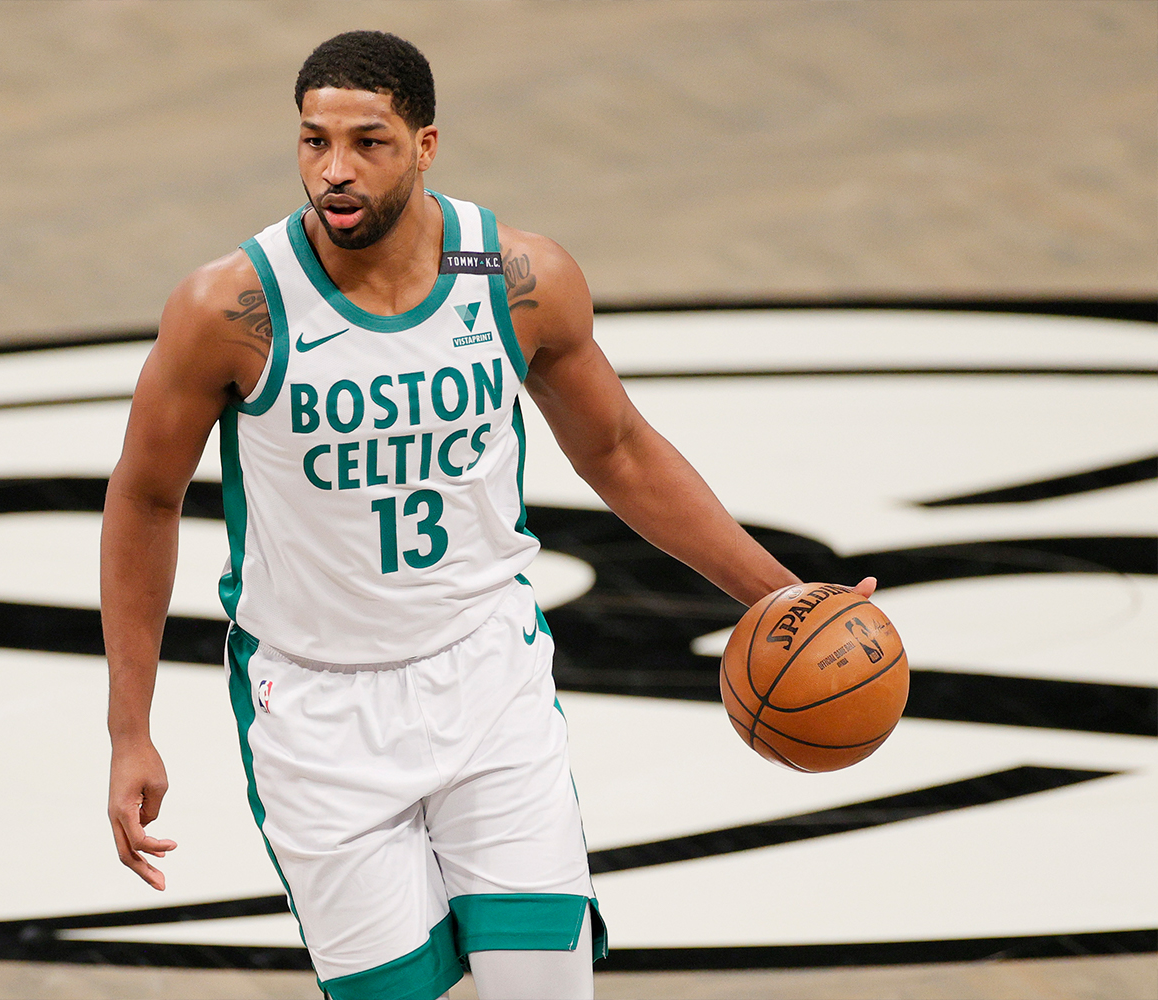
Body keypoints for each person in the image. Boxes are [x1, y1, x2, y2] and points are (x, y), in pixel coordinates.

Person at [101, 30, 874, 1000]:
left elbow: (620, 451)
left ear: (426, 145)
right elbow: (145, 496)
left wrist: (789, 597)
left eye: (368, 142)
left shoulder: (519, 281)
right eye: (313, 141)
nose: (334, 171)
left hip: (486, 680)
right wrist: (131, 726)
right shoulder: (232, 308)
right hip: (316, 710)